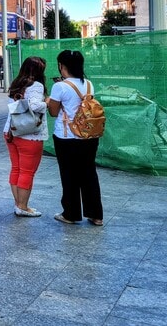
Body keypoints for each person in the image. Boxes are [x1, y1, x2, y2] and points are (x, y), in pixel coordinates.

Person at [47, 49, 104, 226]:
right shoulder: (88, 84)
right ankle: (96, 215)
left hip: (67, 137)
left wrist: (49, 100)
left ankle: (70, 214)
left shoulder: (59, 86)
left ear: (61, 66)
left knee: (69, 175)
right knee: (89, 173)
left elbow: (54, 112)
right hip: (88, 136)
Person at [4, 56, 48, 218]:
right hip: (29, 134)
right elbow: (35, 105)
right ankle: (23, 206)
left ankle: (18, 204)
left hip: (11, 130)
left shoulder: (17, 83)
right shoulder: (36, 85)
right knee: (28, 171)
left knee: (16, 168)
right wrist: (47, 102)